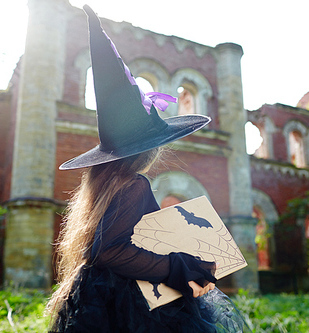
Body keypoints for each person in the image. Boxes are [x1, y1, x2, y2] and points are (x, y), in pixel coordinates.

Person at [46, 5, 248, 332]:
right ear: (148, 150)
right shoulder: (133, 184)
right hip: (127, 301)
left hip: (96, 297)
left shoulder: (103, 186)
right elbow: (113, 252)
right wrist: (179, 266)